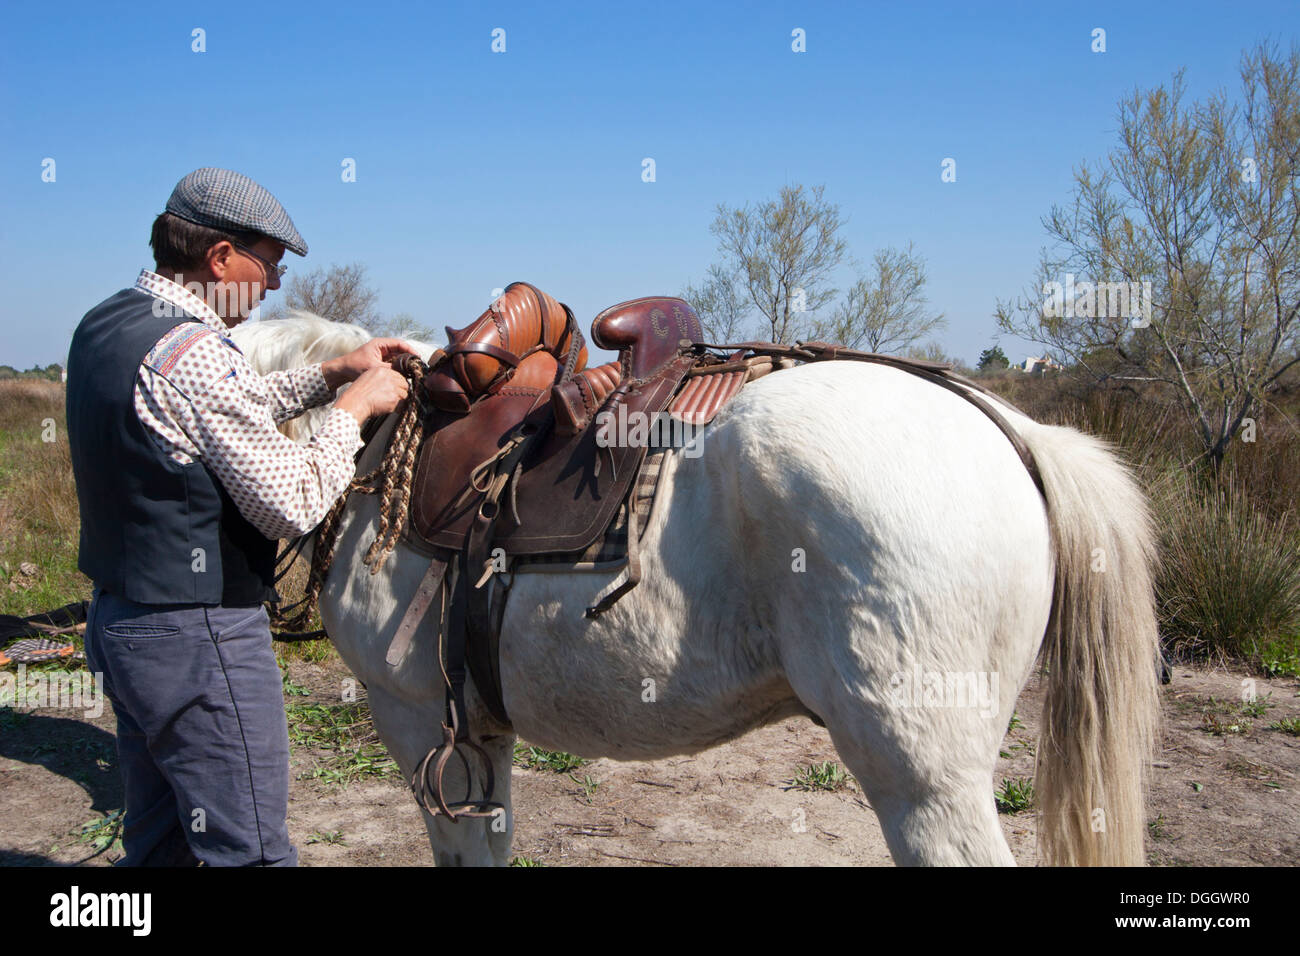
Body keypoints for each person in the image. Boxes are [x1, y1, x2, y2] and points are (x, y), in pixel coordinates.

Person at [66, 167, 412, 865]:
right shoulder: (195, 353)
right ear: (220, 258)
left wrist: (332, 372)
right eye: (271, 263)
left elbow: (224, 408)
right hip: (200, 637)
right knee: (247, 850)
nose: (277, 284)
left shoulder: (109, 323)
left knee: (159, 841)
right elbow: (292, 502)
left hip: (122, 623)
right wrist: (355, 408)